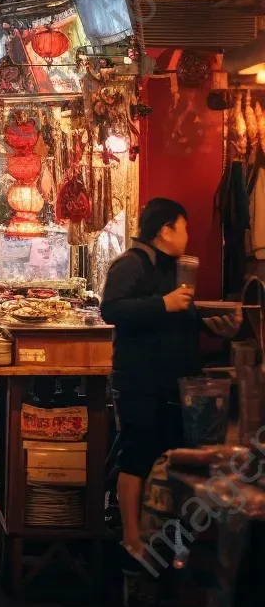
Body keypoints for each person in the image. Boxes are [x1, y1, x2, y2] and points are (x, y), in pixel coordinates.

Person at [101, 198, 242, 562]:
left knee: (176, 458)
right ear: (165, 229)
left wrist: (217, 326)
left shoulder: (177, 269)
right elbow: (111, 309)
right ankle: (132, 540)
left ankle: (174, 545)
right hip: (139, 379)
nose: (188, 235)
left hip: (178, 381)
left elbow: (183, 316)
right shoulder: (131, 264)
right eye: (184, 227)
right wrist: (163, 304)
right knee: (137, 455)